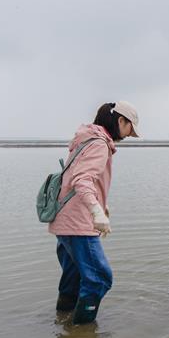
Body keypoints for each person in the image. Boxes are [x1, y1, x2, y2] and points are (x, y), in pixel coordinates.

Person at [49, 101, 140, 324]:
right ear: (121, 121)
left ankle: (63, 322)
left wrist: (101, 207)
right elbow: (82, 180)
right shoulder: (99, 144)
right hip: (78, 222)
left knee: (74, 275)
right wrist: (96, 212)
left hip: (64, 218)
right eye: (130, 128)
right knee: (100, 278)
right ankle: (82, 336)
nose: (129, 135)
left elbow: (76, 178)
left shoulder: (86, 138)